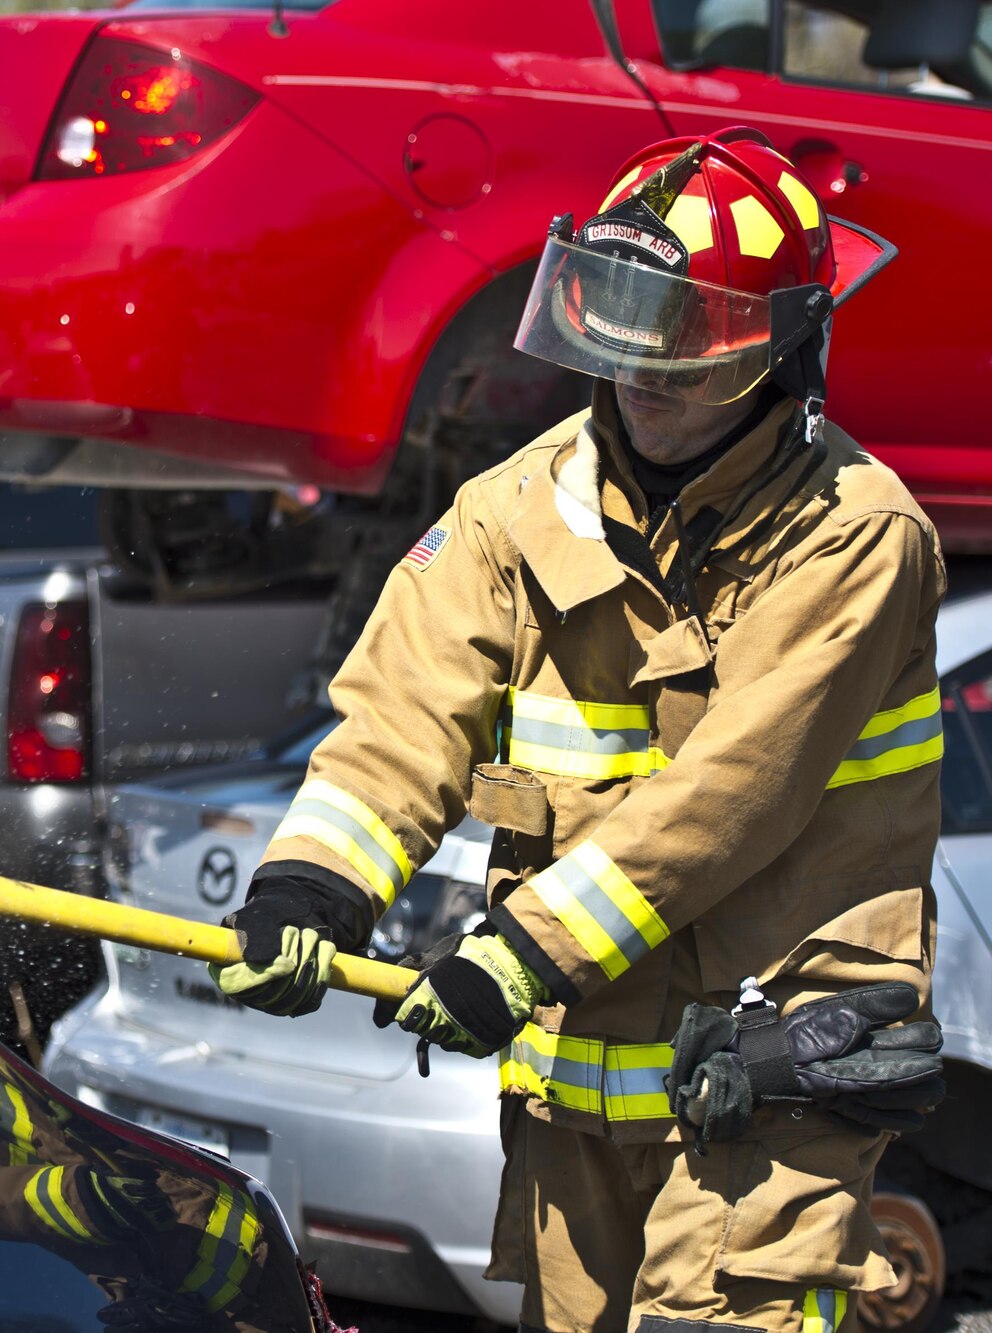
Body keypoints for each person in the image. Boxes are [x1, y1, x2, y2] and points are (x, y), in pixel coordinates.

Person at [211, 127, 946, 1332]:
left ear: (779, 351)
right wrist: (311, 885)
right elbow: (400, 715)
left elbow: (733, 790)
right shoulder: (511, 508)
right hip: (576, 1092)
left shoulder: (853, 535)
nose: (642, 371)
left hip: (763, 1085)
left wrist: (523, 950)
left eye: (687, 343)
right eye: (616, 322)